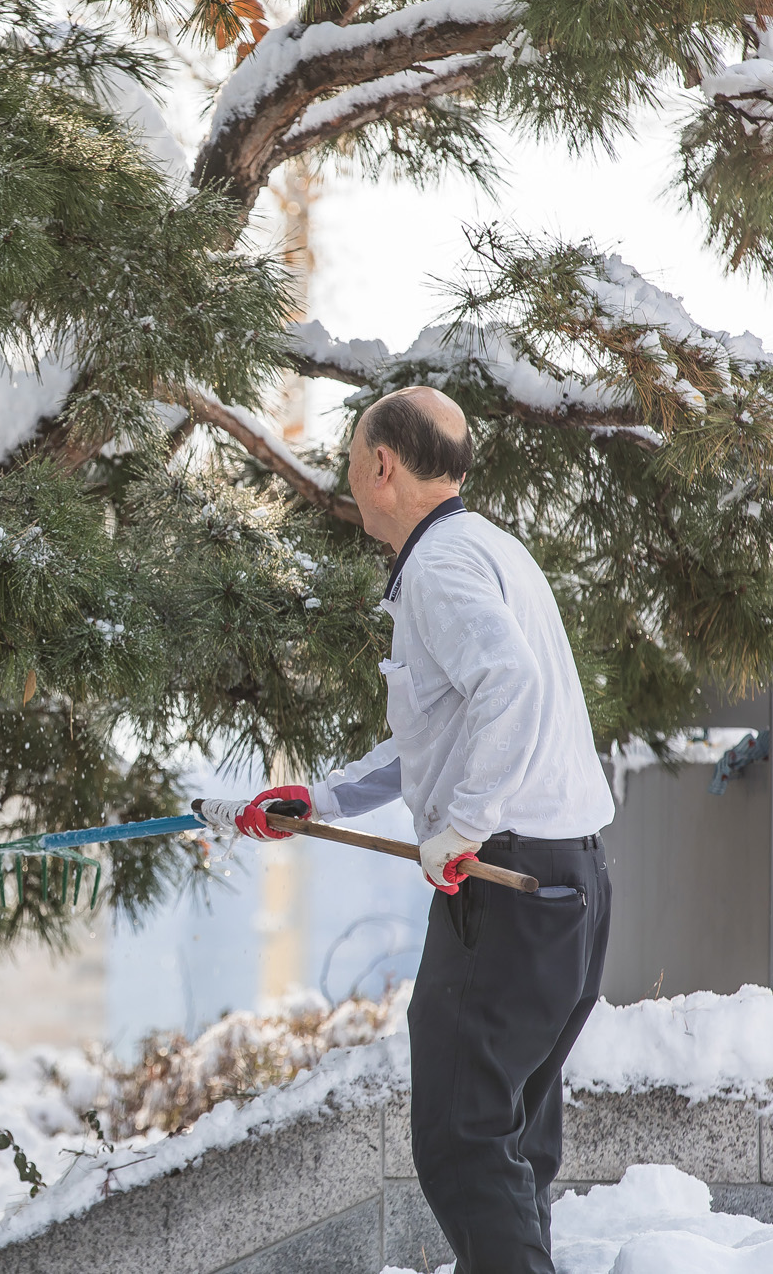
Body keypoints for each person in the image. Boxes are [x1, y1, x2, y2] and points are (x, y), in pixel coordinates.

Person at [236, 386, 614, 1274]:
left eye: (353, 459)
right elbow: (443, 727)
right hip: (571, 885)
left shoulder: (442, 567)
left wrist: (465, 828)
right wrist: (323, 799)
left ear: (382, 465)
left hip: (507, 885)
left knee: (460, 1141)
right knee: (511, 1146)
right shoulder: (486, 549)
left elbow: (510, 692)